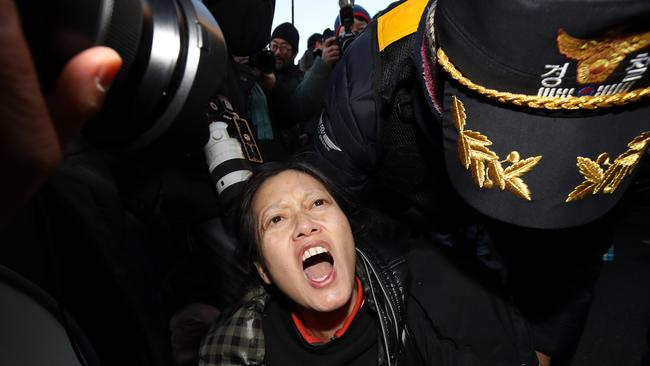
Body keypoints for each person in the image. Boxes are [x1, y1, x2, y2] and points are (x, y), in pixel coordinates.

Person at [309, 0, 650, 364]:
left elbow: (581, 243)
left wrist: (543, 347)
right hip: (404, 218)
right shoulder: (374, 71)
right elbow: (325, 204)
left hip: (518, 249)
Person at [199, 160, 539, 366]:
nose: (305, 225)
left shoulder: (433, 290)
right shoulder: (231, 350)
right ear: (262, 270)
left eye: (318, 202)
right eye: (276, 219)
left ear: (348, 227)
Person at [260, 22, 340, 154]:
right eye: (274, 46)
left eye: (284, 47)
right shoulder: (260, 74)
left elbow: (308, 108)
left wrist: (308, 131)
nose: (278, 52)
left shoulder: (301, 79)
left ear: (294, 53)